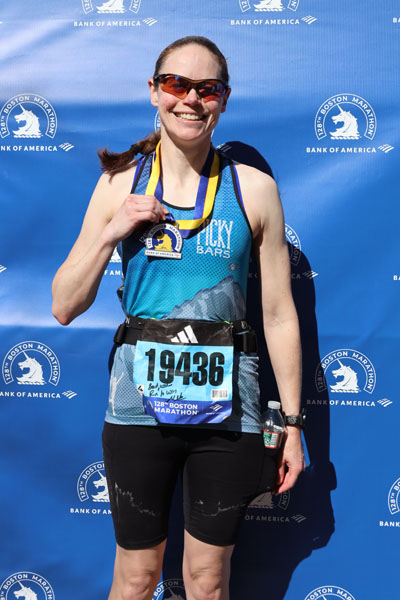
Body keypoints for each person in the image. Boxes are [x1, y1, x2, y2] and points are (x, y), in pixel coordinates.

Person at [52, 36, 305, 600]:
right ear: (154, 91)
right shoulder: (119, 184)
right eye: (176, 84)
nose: (190, 99)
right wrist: (113, 232)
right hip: (137, 410)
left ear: (224, 99)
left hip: (229, 414)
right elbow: (64, 305)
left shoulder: (255, 189)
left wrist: (292, 424)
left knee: (207, 581)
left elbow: (279, 314)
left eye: (207, 88)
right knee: (137, 578)